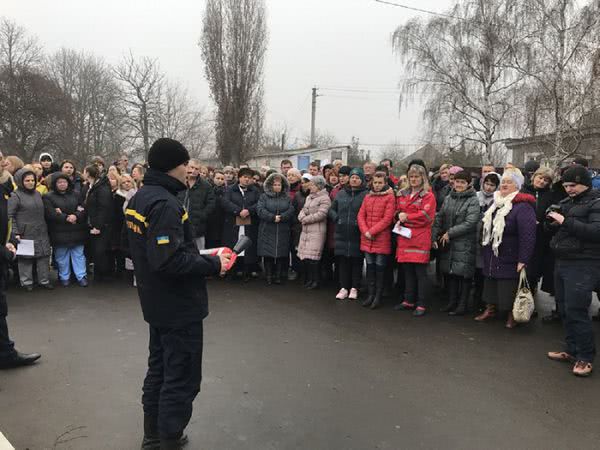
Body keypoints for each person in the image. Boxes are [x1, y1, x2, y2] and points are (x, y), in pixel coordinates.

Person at [125, 138, 230, 449]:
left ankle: (153, 433)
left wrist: (202, 257)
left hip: (156, 302)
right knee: (181, 376)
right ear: (173, 166)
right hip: (177, 306)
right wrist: (213, 264)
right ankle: (168, 437)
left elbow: (152, 252)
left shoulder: (141, 198)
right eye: (186, 164)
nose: (189, 170)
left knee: (158, 368)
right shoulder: (165, 204)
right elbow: (168, 260)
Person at [546, 165, 600, 377]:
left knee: (577, 310)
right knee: (564, 309)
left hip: (584, 263)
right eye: (566, 185)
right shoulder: (567, 202)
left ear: (585, 182)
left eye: (573, 185)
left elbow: (596, 232)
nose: (569, 189)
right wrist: (551, 222)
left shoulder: (596, 202)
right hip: (563, 259)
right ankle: (571, 350)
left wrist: (564, 221)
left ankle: (585, 358)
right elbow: (558, 229)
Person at [475, 168, 537, 328]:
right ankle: (490, 309)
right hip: (493, 253)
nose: (504, 185)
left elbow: (528, 235)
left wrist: (523, 259)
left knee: (507, 286)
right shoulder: (496, 202)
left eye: (509, 182)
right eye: (503, 182)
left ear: (517, 186)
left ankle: (512, 315)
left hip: (510, 254)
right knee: (490, 283)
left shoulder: (523, 206)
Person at [0, 153, 41, 370]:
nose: (4, 162)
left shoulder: (4, 190)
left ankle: (5, 352)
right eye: (0, 159)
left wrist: (9, 240)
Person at [431, 170, 481, 315]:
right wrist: (434, 236)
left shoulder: (473, 199)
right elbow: (440, 217)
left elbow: (471, 222)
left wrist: (450, 233)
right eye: (457, 181)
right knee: (451, 273)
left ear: (468, 184)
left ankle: (462, 305)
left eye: (462, 182)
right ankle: (452, 302)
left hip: (465, 242)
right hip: (449, 242)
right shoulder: (449, 197)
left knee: (464, 275)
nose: (459, 184)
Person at [521, 167, 565, 321]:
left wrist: (544, 223)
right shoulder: (523, 191)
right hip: (522, 236)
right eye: (540, 177)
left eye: (546, 180)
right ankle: (521, 304)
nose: (542, 181)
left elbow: (553, 215)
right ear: (534, 176)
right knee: (522, 273)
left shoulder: (551, 196)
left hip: (541, 238)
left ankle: (530, 303)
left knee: (533, 273)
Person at [394, 164, 436, 316]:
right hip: (405, 237)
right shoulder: (403, 194)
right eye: (411, 176)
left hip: (420, 238)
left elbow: (426, 217)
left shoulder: (428, 196)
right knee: (408, 271)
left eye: (417, 176)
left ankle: (421, 303)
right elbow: (398, 210)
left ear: (423, 178)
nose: (413, 179)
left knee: (420, 273)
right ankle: (408, 300)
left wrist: (407, 217)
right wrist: (399, 215)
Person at [8, 168, 53, 291]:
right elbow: (10, 216)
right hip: (24, 232)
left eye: (33, 180)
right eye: (27, 180)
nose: (31, 182)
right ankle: (26, 282)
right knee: (25, 259)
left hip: (41, 230)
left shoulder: (38, 194)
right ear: (20, 181)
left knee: (43, 256)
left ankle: (44, 281)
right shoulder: (15, 196)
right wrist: (15, 232)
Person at [357, 171, 396, 309]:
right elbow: (361, 215)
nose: (377, 185)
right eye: (375, 182)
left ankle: (377, 296)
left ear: (385, 183)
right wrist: (365, 231)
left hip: (381, 238)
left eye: (380, 182)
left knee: (380, 269)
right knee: (370, 268)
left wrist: (371, 231)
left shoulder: (390, 198)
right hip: (367, 237)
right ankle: (370, 294)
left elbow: (387, 219)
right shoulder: (367, 197)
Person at [43, 173, 89, 287]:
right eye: (59, 182)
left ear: (68, 183)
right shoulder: (48, 197)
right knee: (61, 256)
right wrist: (66, 217)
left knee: (79, 255)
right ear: (55, 184)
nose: (62, 184)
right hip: (59, 232)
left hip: (77, 230)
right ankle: (64, 277)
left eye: (64, 182)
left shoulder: (76, 194)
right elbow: (50, 213)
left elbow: (83, 208)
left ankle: (81, 276)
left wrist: (76, 215)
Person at [329, 168, 368, 300]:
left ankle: (354, 288)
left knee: (356, 262)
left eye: (357, 178)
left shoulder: (366, 195)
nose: (354, 180)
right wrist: (336, 218)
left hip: (357, 234)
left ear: (362, 180)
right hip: (341, 233)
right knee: (343, 262)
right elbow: (331, 209)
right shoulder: (340, 194)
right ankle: (344, 287)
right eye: (352, 177)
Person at [221, 167, 260, 281]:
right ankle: (232, 270)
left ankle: (245, 271)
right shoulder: (230, 190)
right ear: (239, 178)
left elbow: (259, 203)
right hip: (233, 223)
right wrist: (238, 211)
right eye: (245, 177)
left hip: (249, 224)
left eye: (250, 178)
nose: (247, 180)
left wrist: (249, 211)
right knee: (233, 245)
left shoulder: (255, 190)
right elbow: (225, 202)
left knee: (247, 246)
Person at [257, 173, 294, 285]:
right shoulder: (264, 197)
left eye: (279, 184)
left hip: (282, 229)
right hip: (267, 228)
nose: (277, 187)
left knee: (280, 254)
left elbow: (291, 210)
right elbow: (260, 210)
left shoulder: (287, 198)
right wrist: (272, 217)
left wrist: (282, 217)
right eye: (275, 184)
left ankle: (278, 276)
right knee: (268, 254)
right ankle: (268, 276)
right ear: (270, 185)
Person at [297, 175, 331, 289]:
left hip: (317, 231)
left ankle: (316, 280)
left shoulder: (325, 198)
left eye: (312, 184)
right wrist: (301, 217)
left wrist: (305, 219)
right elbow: (303, 210)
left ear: (319, 186)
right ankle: (309, 279)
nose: (310, 186)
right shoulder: (309, 197)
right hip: (306, 230)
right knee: (306, 257)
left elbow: (322, 214)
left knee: (314, 258)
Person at [83, 164, 114, 281]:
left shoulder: (102, 188)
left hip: (102, 226)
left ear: (88, 173)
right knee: (96, 250)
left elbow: (104, 208)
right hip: (93, 223)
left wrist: (98, 226)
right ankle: (100, 274)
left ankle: (104, 275)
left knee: (100, 251)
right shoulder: (92, 186)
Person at [177, 159, 216, 252]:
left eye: (196, 169)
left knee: (199, 253)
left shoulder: (206, 186)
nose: (194, 170)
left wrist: (201, 216)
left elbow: (211, 204)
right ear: (186, 167)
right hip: (179, 226)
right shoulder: (178, 182)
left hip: (198, 228)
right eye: (192, 167)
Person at [205, 170, 226, 250]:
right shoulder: (208, 190)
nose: (220, 181)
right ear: (213, 178)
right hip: (210, 222)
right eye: (218, 178)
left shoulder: (226, 191)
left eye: (222, 179)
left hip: (222, 222)